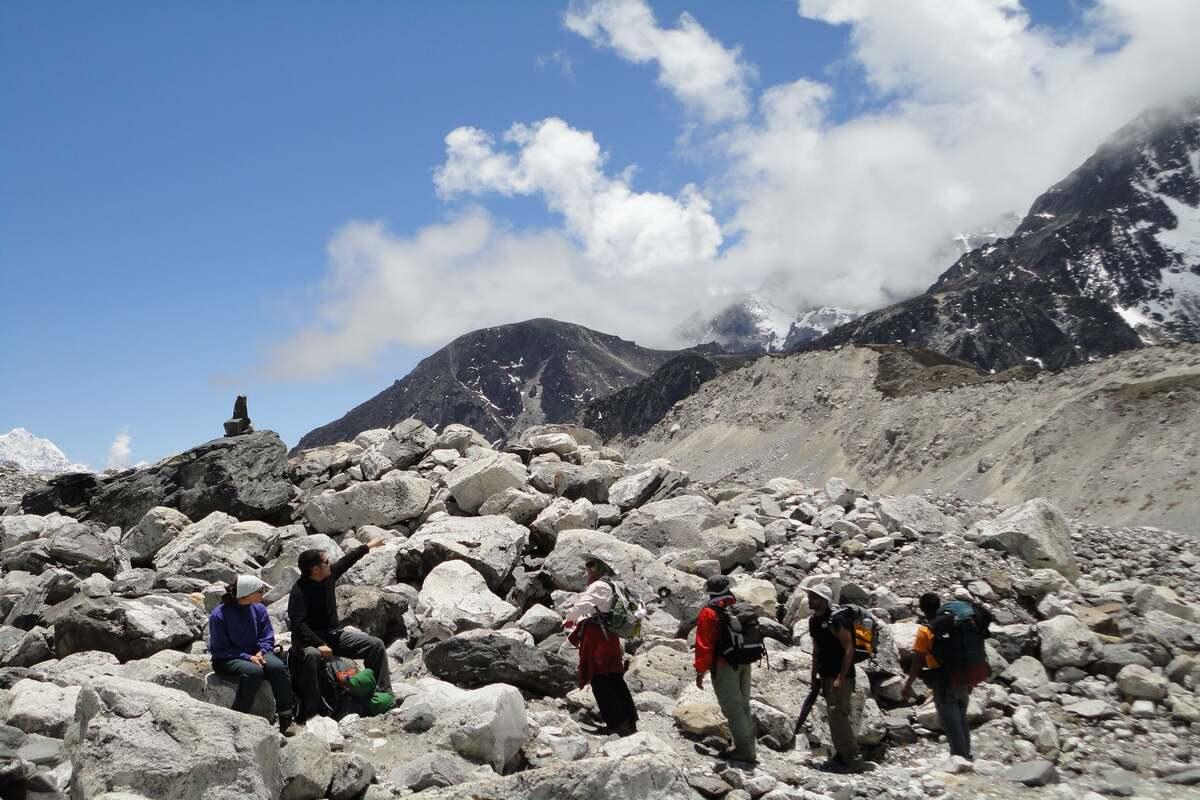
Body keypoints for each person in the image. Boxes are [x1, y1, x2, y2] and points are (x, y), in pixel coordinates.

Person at [288, 538, 389, 721]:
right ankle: (314, 711)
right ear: (316, 569)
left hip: (334, 636)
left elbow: (348, 560)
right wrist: (318, 644)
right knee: (312, 656)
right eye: (326, 561)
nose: (330, 563)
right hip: (309, 641)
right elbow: (298, 624)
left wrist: (369, 545)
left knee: (375, 645)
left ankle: (383, 694)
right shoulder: (299, 591)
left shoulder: (328, 575)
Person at [563, 553, 638, 737]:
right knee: (615, 677)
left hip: (597, 637)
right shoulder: (616, 585)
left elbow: (583, 607)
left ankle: (616, 723)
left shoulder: (598, 586)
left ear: (601, 567)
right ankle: (629, 720)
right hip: (610, 636)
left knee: (599, 679)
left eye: (591, 565)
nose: (587, 569)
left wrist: (569, 619)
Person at [209, 574, 294, 735]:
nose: (263, 594)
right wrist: (248, 657)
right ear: (246, 594)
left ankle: (285, 717)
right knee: (254, 672)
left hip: (256, 652)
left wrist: (261, 652)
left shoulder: (259, 609)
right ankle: (238, 716)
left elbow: (267, 637)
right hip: (227, 658)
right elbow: (220, 649)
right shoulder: (219, 615)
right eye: (260, 591)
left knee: (277, 667)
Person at [901, 592, 974, 760]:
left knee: (951, 722)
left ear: (922, 609)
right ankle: (966, 754)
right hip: (962, 676)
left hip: (943, 681)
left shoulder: (926, 631)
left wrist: (907, 686)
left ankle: (959, 759)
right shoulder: (955, 624)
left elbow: (917, 662)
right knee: (961, 718)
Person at [694, 574, 757, 765]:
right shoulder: (736, 605)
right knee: (744, 705)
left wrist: (700, 670)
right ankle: (749, 746)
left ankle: (744, 751)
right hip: (744, 660)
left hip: (723, 665)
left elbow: (704, 645)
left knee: (732, 708)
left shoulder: (709, 611)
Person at [807, 583, 866, 773]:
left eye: (815, 597)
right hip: (825, 675)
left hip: (841, 676)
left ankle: (853, 759)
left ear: (825, 600)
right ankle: (842, 755)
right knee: (834, 717)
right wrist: (813, 675)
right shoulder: (813, 621)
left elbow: (849, 649)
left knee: (838, 716)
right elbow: (816, 650)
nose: (810, 600)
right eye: (810, 596)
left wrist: (841, 677)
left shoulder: (837, 619)